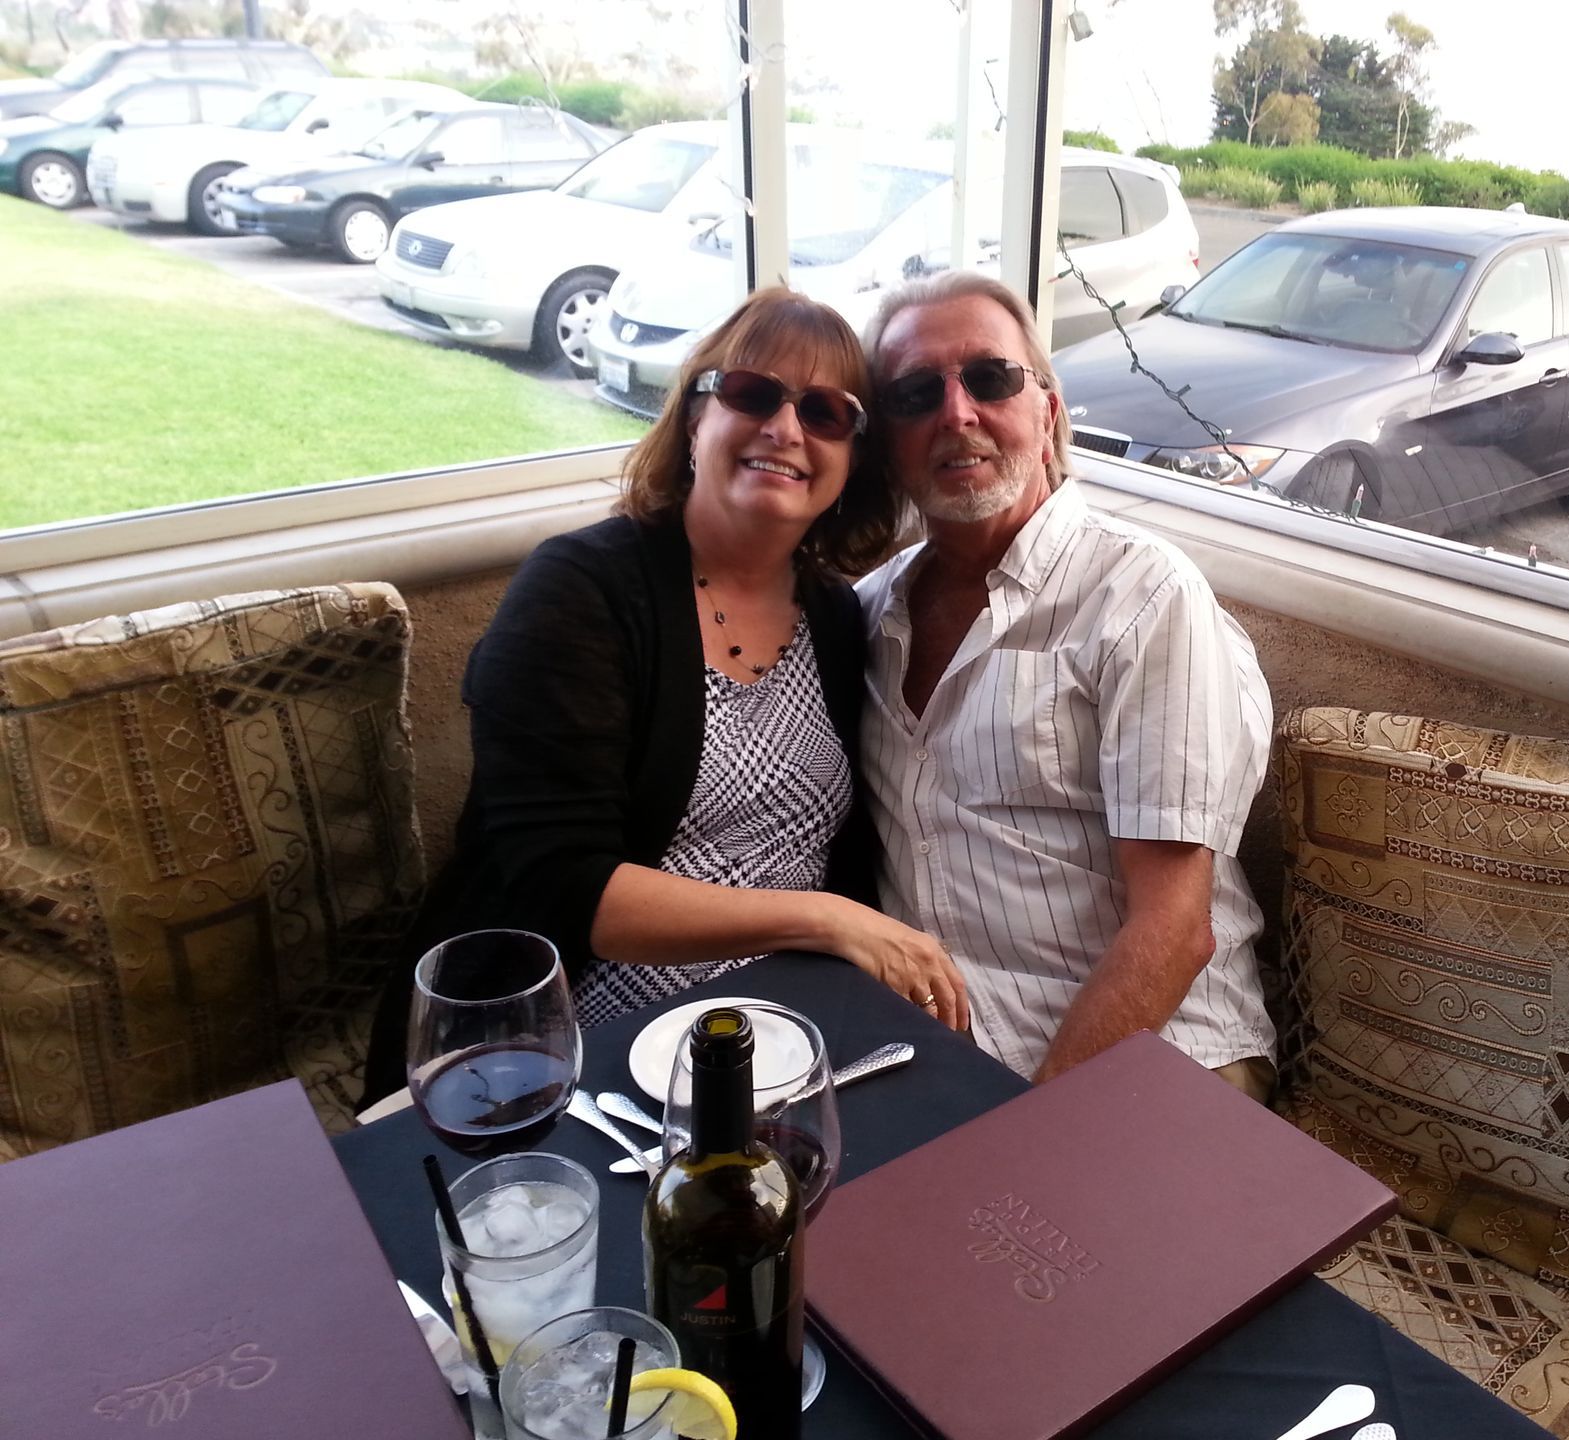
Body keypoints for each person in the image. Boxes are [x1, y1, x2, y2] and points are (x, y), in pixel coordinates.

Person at [364, 288, 965, 1102]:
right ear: (693, 420)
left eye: (825, 412)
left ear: (852, 458)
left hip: (785, 1029)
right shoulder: (579, 590)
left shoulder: (837, 615)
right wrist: (827, 919)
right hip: (572, 1048)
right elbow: (564, 885)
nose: (786, 429)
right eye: (753, 394)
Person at [856, 270, 1278, 1097]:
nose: (957, 412)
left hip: (1159, 1048)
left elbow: (1177, 930)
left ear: (1047, 412)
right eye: (915, 394)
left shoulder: (1142, 596)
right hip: (944, 1049)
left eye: (990, 378)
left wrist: (1035, 1127)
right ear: (886, 443)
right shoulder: (867, 617)